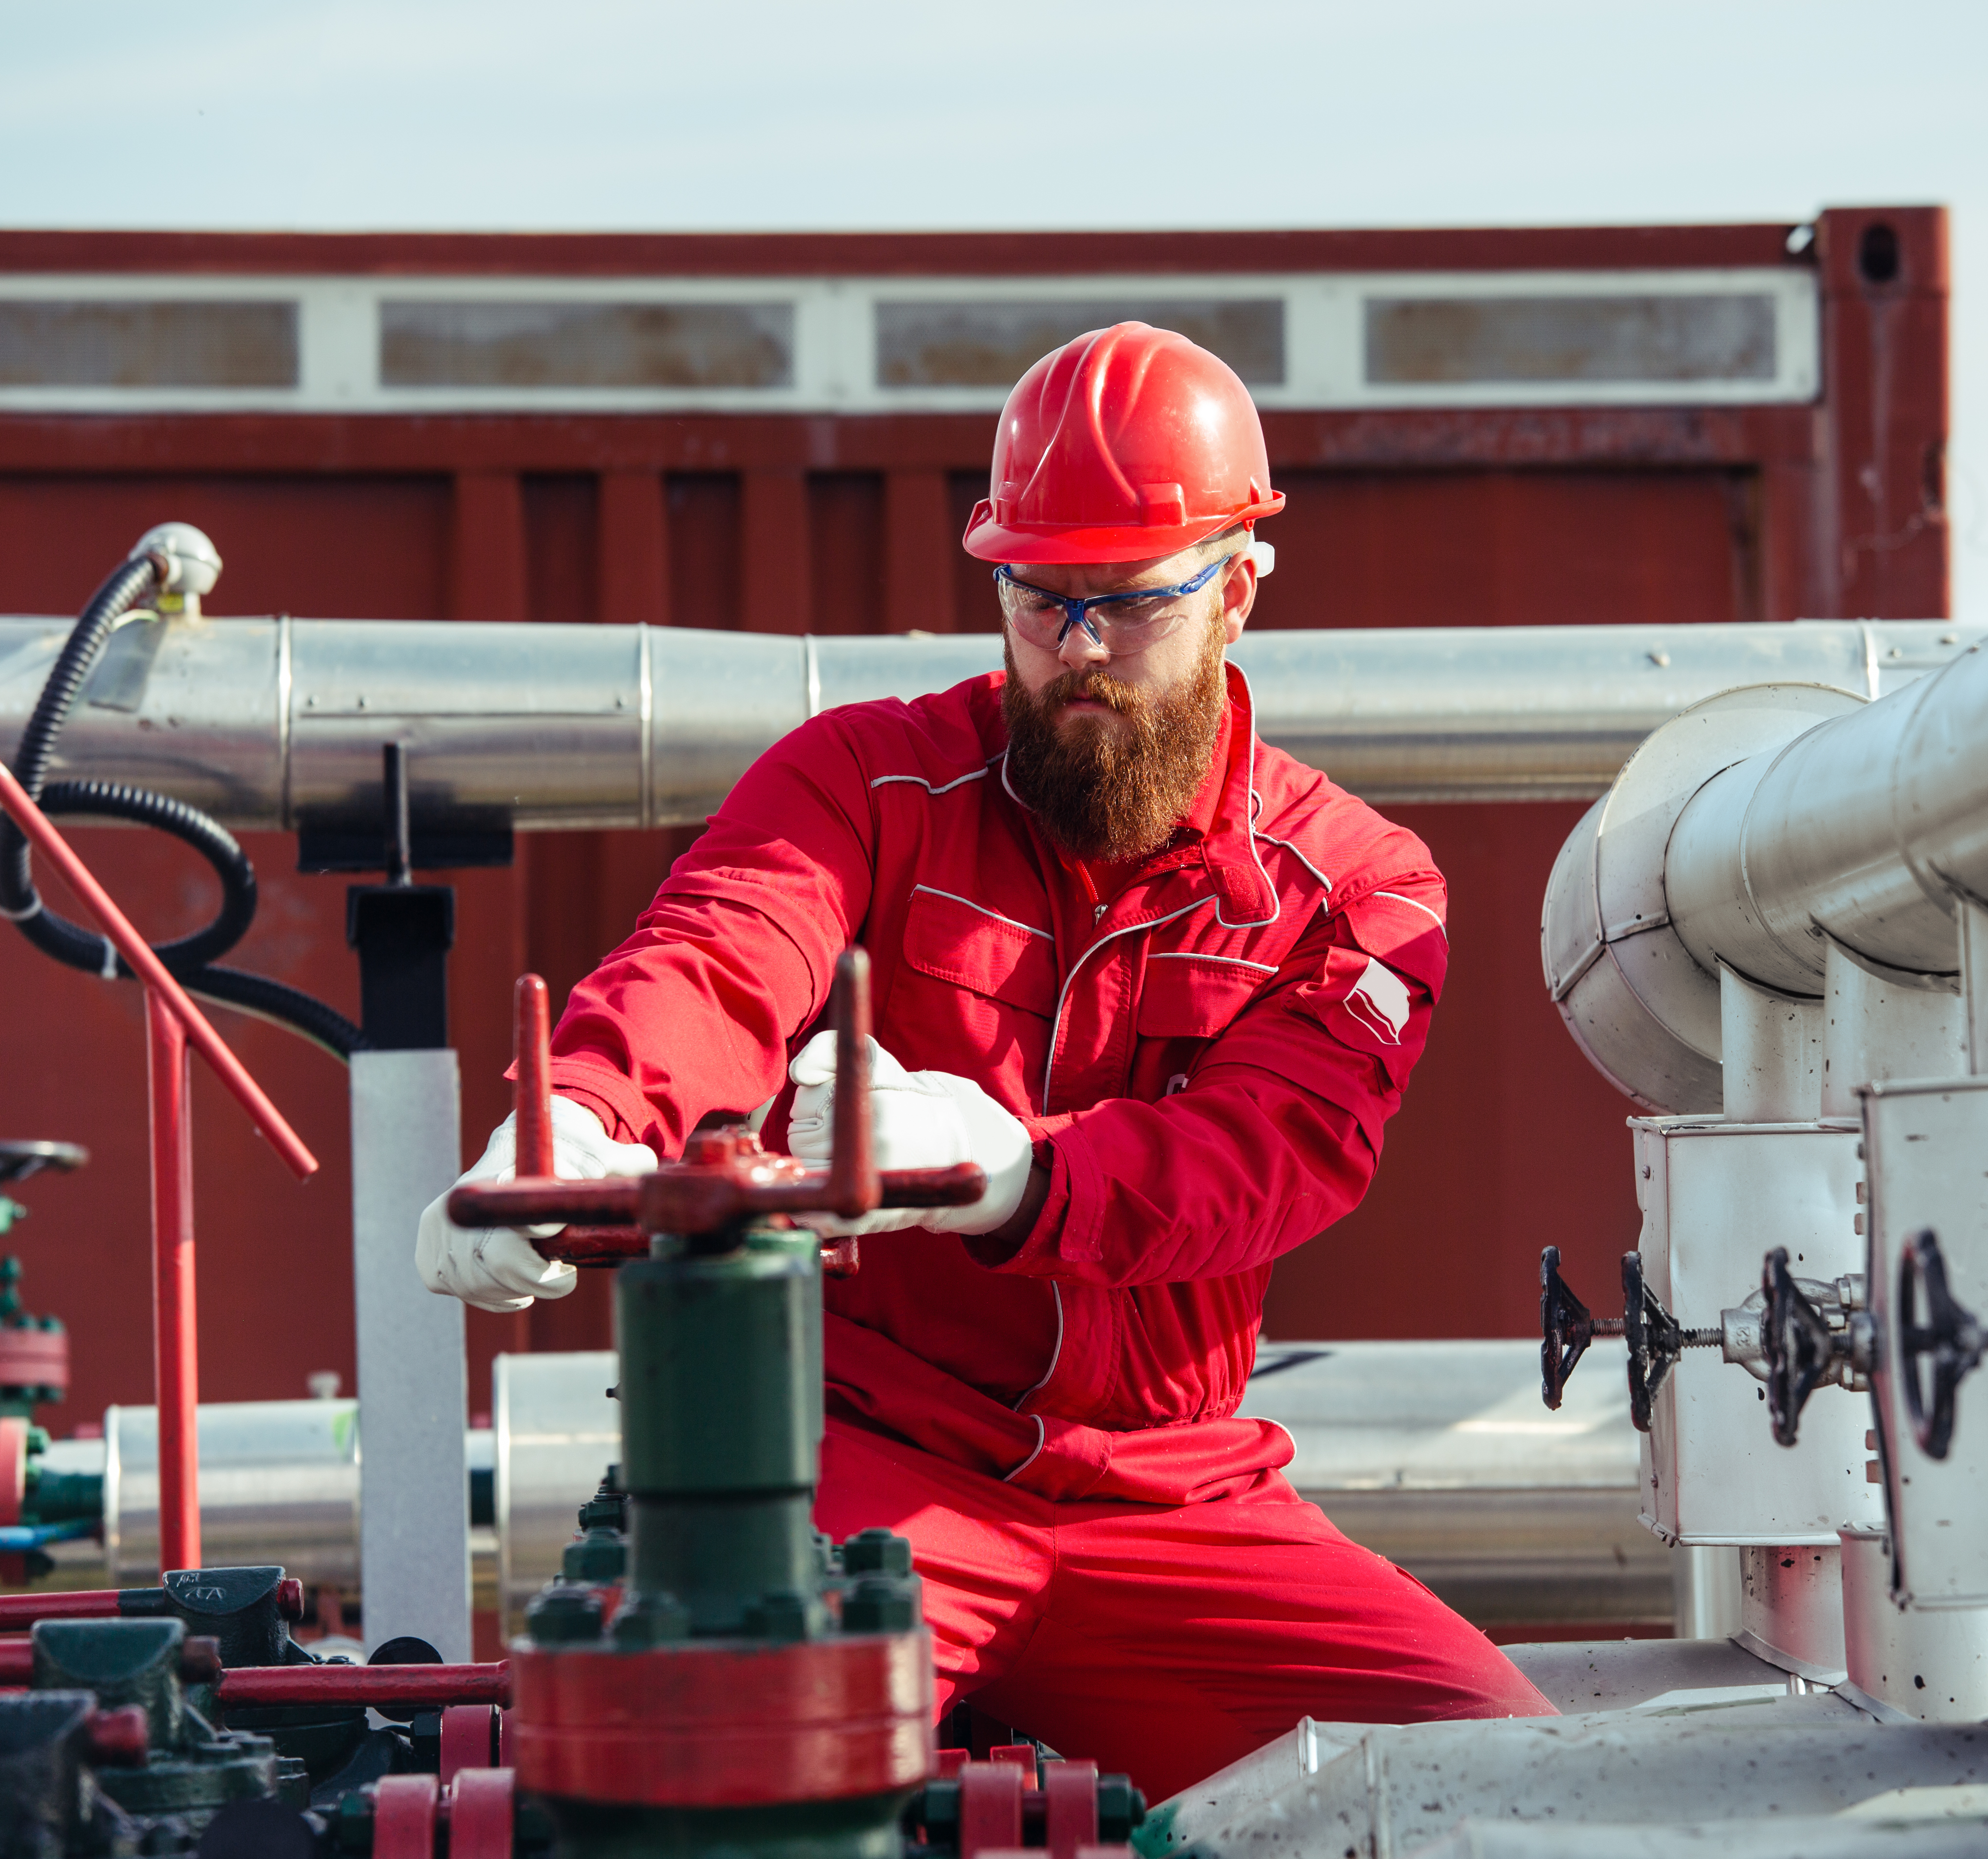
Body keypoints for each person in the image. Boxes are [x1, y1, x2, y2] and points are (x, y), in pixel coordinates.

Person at [418, 321, 1551, 1798]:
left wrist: (1025, 1176)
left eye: (1129, 605)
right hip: (870, 1468)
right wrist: (576, 1113)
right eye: (1038, 600)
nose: (1077, 654)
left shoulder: (1357, 888)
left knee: (1505, 1789)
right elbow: (719, 952)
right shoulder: (866, 782)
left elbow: (1280, 1152)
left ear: (1240, 592)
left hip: (1169, 1499)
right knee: (708, 1791)